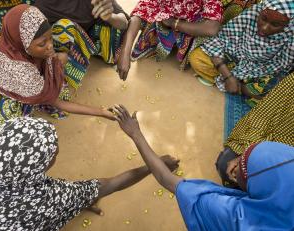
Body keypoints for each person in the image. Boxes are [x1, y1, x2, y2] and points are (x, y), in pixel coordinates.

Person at [0, 117, 178, 230]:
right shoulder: (47, 200)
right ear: (43, 164)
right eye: (54, 152)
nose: (57, 151)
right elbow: (110, 184)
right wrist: (154, 164)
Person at [114, 105, 294, 230]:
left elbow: (166, 179)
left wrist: (135, 133)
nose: (236, 163)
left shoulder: (226, 213)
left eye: (241, 167)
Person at [0, 5, 117, 144]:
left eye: (50, 38)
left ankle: (29, 97)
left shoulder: (17, 45)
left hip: (16, 77)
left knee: (64, 32)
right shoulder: (22, 72)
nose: (50, 47)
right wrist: (101, 112)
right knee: (7, 117)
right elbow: (58, 102)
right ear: (23, 43)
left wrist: (56, 59)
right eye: (42, 43)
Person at [189, 0, 294, 107]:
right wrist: (228, 76)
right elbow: (222, 38)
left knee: (277, 94)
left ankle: (237, 87)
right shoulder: (253, 13)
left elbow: (281, 66)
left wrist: (247, 77)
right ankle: (233, 85)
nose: (264, 28)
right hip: (234, 53)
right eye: (263, 19)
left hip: (261, 69)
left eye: (275, 25)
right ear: (261, 11)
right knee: (197, 58)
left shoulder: (291, 34)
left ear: (288, 24)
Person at [215, 72, 294, 187]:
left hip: (286, 163)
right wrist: (246, 156)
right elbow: (265, 116)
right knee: (225, 165)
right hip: (272, 144)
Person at [117, 0, 223, 80]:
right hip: (165, 20)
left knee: (205, 49)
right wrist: (125, 53)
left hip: (193, 25)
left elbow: (212, 28)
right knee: (147, 15)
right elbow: (140, 12)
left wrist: (174, 23)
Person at [34, 0, 129, 88]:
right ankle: (62, 78)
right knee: (63, 27)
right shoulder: (42, 6)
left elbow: (125, 22)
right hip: (67, 41)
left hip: (92, 36)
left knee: (117, 29)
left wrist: (110, 17)